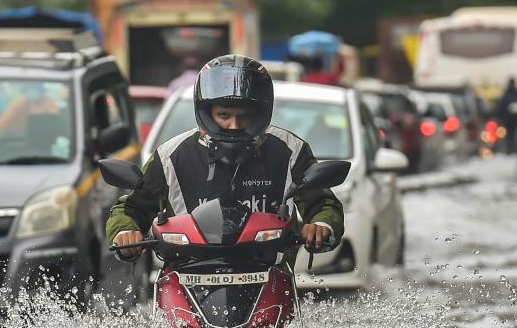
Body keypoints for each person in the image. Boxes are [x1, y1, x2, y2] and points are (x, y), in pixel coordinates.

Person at [107, 54, 343, 260]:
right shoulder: (171, 155)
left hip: (269, 271)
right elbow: (132, 207)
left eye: (244, 116)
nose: (234, 125)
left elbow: (321, 202)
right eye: (224, 115)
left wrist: (321, 226)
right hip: (186, 274)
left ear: (260, 113)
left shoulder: (290, 150)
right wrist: (124, 233)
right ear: (206, 112)